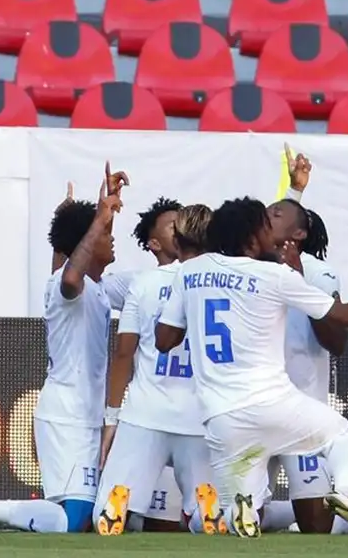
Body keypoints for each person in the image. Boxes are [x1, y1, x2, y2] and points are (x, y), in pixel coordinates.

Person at [153, 197, 348, 539]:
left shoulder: (189, 271)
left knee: (238, 512)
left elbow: (164, 339)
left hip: (221, 418)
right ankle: (345, 494)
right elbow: (342, 316)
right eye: (265, 226)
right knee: (345, 437)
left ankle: (239, 509)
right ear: (250, 240)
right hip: (274, 404)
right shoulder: (274, 274)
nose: (272, 234)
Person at [0, 167, 130, 534]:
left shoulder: (96, 289)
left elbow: (71, 269)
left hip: (83, 415)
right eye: (104, 232)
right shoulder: (69, 287)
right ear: (86, 241)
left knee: (83, 518)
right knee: (72, 520)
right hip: (67, 416)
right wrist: (97, 218)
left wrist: (99, 211)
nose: (111, 239)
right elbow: (68, 277)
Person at [95, 201, 230, 536]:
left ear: (180, 239)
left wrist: (111, 418)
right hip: (200, 414)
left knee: (106, 509)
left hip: (146, 411)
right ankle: (204, 508)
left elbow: (124, 353)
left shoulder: (145, 283)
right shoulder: (225, 281)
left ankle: (120, 498)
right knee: (207, 509)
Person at [266, 197, 348, 534]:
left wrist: (299, 281)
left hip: (302, 411)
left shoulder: (320, 273)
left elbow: (337, 343)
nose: (265, 217)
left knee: (316, 524)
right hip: (254, 408)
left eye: (275, 213)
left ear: (298, 234)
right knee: (229, 518)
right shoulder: (247, 266)